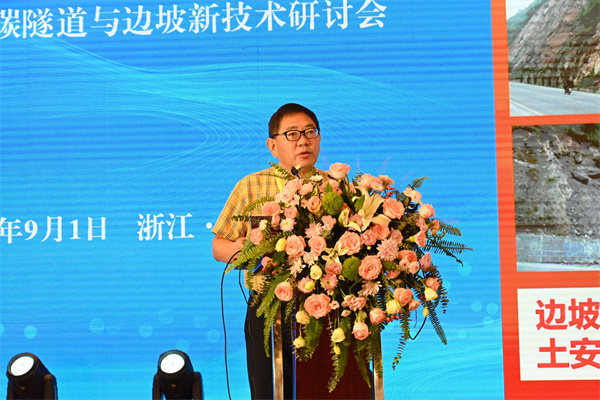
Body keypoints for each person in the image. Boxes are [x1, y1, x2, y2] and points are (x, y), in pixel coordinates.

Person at [211, 103, 322, 399]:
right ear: (273, 146)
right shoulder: (251, 186)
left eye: (310, 132)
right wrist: (239, 250)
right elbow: (218, 246)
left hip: (326, 308)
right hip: (268, 307)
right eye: (292, 134)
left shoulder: (335, 186)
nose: (303, 141)